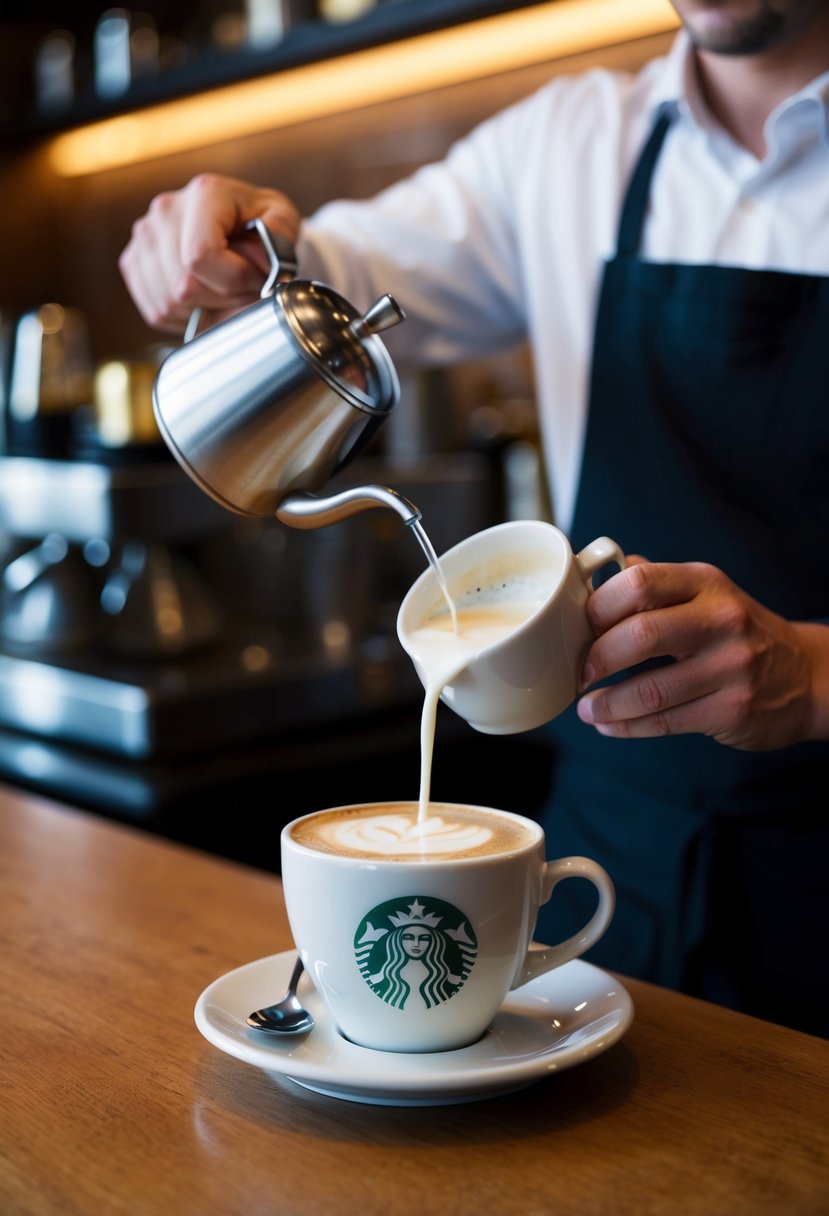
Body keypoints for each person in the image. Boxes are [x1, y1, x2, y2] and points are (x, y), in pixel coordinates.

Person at [119, 0, 829, 1036]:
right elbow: (334, 278)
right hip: (606, 868)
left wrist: (811, 675)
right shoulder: (566, 146)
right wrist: (226, 248)